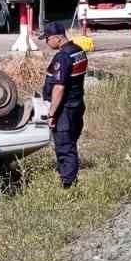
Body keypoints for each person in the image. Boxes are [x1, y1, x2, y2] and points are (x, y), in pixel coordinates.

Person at [41, 21, 88, 189]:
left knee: (64, 147)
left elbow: (59, 87)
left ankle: (68, 186)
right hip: (77, 105)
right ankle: (69, 178)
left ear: (57, 37)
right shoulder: (79, 51)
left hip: (65, 110)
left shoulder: (63, 57)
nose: (46, 42)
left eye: (47, 38)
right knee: (70, 142)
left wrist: (52, 113)